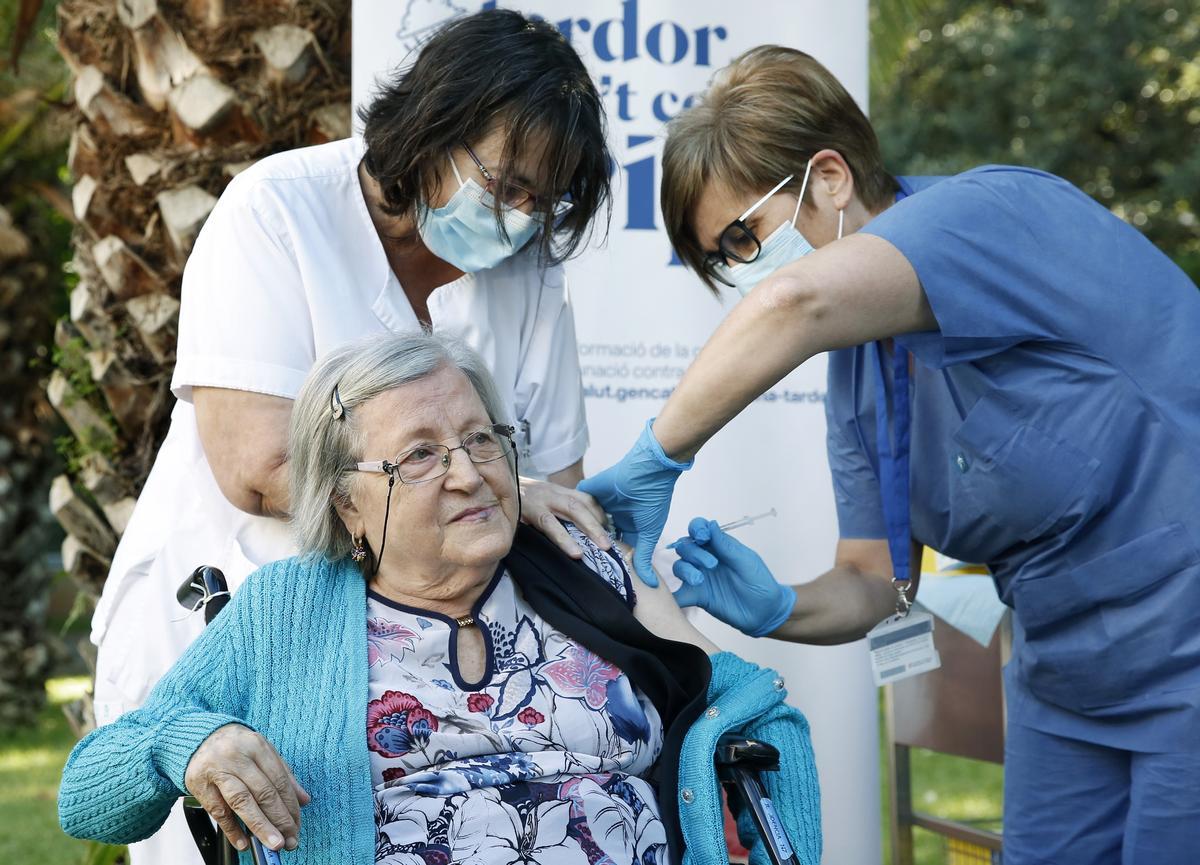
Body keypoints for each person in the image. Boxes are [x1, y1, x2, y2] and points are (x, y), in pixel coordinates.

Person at [579, 45, 1200, 864]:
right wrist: (776, 607)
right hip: (1063, 686)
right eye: (723, 259)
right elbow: (877, 583)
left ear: (830, 177)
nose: (743, 271)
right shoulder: (862, 369)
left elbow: (795, 300)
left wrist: (659, 456)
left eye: (742, 236)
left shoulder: (987, 215)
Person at [92, 11, 615, 862]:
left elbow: (556, 486)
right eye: (506, 182)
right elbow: (257, 463)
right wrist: (490, 491)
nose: (520, 218)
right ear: (435, 127)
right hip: (234, 609)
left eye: (543, 199)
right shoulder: (279, 210)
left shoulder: (531, 276)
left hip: (433, 668)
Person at [59, 332, 822, 865]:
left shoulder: (580, 563)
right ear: (347, 502)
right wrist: (184, 742)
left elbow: (757, 710)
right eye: (421, 454)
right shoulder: (287, 610)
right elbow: (87, 794)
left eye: (481, 439)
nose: (469, 473)